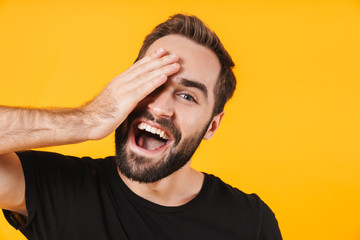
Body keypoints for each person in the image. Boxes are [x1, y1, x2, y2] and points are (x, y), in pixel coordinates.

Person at [0, 14, 282, 239]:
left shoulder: (250, 222)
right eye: (152, 81)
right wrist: (88, 119)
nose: (159, 107)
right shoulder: (59, 189)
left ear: (212, 126)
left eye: (187, 96)